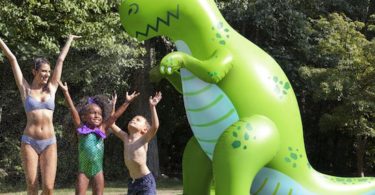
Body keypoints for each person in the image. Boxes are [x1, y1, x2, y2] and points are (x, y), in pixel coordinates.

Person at [0, 35, 80, 194]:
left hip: (49, 142)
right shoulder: (26, 90)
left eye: (48, 72)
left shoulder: (52, 88)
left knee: (49, 188)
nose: (46, 74)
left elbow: (60, 60)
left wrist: (70, 39)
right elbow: (12, 59)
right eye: (43, 71)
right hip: (29, 141)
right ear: (34, 71)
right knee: (32, 185)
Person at [58, 81, 140, 195]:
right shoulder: (81, 129)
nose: (97, 116)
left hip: (98, 171)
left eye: (100, 114)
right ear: (84, 117)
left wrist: (127, 102)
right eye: (93, 113)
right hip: (84, 171)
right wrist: (66, 92)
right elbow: (72, 109)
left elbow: (114, 116)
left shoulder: (102, 128)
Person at [111, 91, 162, 195]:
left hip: (145, 182)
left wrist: (152, 107)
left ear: (144, 130)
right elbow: (111, 123)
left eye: (138, 120)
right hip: (132, 182)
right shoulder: (125, 137)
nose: (133, 120)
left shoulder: (143, 138)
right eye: (132, 119)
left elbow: (155, 126)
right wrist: (113, 106)